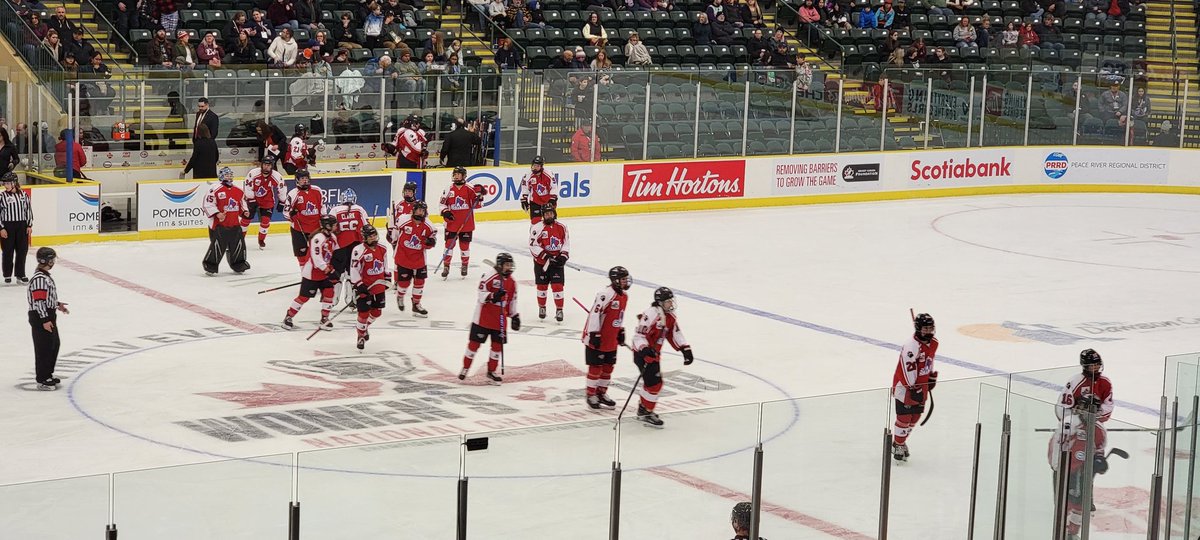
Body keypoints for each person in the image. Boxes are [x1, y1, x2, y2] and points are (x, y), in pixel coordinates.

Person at [630, 286, 693, 427]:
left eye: (671, 301)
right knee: (655, 384)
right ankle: (647, 411)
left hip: (654, 355)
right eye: (668, 302)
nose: (671, 304)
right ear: (660, 302)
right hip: (643, 355)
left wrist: (685, 349)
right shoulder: (651, 314)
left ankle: (643, 408)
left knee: (651, 383)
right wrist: (645, 349)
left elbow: (674, 333)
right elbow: (638, 336)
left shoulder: (669, 317)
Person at [458, 252, 519, 385]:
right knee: (473, 345)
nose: (509, 267)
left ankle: (491, 371)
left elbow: (512, 300)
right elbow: (481, 294)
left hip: (500, 320)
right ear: (500, 265)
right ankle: (465, 368)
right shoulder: (489, 276)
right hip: (483, 318)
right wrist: (493, 296)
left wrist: (514, 316)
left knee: (497, 347)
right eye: (507, 265)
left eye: (510, 265)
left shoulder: (512, 282)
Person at [1048, 412, 1107, 540]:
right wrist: (1058, 467)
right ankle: (1064, 533)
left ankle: (1072, 534)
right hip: (1066, 472)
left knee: (1079, 506)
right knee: (1065, 506)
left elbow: (1099, 450)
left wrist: (1099, 460)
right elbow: (1055, 445)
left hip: (1082, 473)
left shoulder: (1098, 429)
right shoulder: (1070, 423)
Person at [891, 312, 938, 462]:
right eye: (925, 329)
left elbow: (928, 361)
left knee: (915, 417)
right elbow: (907, 368)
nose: (928, 332)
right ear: (918, 329)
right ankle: (897, 444)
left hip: (921, 385)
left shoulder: (934, 343)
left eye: (930, 328)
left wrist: (930, 376)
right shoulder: (911, 346)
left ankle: (901, 440)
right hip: (905, 387)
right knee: (904, 417)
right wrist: (913, 387)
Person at [583, 265, 631, 409]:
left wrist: (620, 330)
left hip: (611, 338)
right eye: (623, 279)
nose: (625, 282)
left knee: (608, 367)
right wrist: (594, 333)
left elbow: (618, 315)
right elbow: (595, 314)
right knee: (596, 367)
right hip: (597, 337)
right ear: (615, 280)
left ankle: (601, 393)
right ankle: (591, 395)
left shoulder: (624, 296)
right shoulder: (606, 294)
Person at [283, 214, 339, 329]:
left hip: (324, 273)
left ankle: (324, 318)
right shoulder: (318, 238)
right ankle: (288, 317)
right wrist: (328, 270)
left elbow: (334, 254)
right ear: (327, 225)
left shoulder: (333, 237)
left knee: (329, 293)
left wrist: (334, 267)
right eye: (334, 224)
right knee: (304, 297)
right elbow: (316, 258)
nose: (336, 226)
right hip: (312, 273)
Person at [27, 247, 68, 390]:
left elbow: (45, 299)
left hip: (47, 314)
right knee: (44, 347)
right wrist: (45, 320)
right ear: (47, 260)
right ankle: (42, 379)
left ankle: (47, 374)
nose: (53, 262)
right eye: (52, 259)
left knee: (53, 344)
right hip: (41, 317)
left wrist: (57, 305)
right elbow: (38, 301)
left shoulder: (44, 276)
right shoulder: (39, 279)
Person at [201, 167, 251, 275]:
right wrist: (217, 213)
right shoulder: (214, 188)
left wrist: (244, 212)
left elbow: (242, 204)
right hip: (219, 224)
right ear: (221, 176)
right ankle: (210, 266)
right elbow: (207, 204)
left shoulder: (238, 190)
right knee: (217, 246)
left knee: (238, 245)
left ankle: (239, 264)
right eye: (226, 175)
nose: (229, 177)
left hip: (234, 223)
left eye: (230, 175)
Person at [391, 200, 436, 316]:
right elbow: (394, 235)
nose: (421, 212)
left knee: (420, 281)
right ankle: (400, 296)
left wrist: (430, 242)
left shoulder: (430, 226)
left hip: (419, 259)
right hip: (403, 257)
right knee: (404, 284)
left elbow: (432, 242)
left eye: (423, 210)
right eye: (419, 210)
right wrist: (392, 238)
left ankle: (416, 304)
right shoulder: (402, 220)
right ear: (413, 210)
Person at [438, 165, 484, 278]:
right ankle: (446, 266)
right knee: (449, 245)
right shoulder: (449, 188)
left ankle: (464, 265)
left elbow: (478, 205)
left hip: (466, 223)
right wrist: (445, 212)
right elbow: (442, 203)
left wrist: (480, 196)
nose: (456, 176)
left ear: (464, 176)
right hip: (452, 223)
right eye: (455, 174)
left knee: (464, 246)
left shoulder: (470, 188)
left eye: (458, 174)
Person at [350, 224, 390, 349]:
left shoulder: (382, 248)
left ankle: (364, 327)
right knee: (363, 313)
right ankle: (360, 336)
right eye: (370, 236)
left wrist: (387, 276)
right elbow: (354, 269)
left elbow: (385, 264)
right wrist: (359, 285)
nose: (373, 238)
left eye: (374, 235)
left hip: (378, 285)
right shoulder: (358, 250)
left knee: (377, 312)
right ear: (364, 238)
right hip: (364, 287)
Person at [528, 202, 569, 322]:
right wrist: (545, 256)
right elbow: (532, 245)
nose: (549, 216)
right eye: (546, 214)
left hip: (556, 262)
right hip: (542, 263)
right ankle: (542, 307)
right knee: (542, 286)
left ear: (554, 214)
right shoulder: (537, 228)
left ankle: (559, 309)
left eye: (551, 213)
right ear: (543, 215)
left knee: (558, 286)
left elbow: (566, 243)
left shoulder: (562, 227)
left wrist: (563, 257)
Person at [329, 188, 370, 300]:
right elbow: (366, 228)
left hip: (338, 247)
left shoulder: (335, 210)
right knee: (353, 273)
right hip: (355, 247)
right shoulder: (359, 209)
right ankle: (352, 299)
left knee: (336, 273)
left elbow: (329, 228)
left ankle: (331, 298)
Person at [282, 169, 327, 266]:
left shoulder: (317, 190)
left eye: (306, 178)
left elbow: (322, 206)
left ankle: (316, 274)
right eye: (302, 178)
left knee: (317, 252)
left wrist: (323, 219)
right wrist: (292, 215)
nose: (305, 180)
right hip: (299, 229)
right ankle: (305, 275)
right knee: (301, 255)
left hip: (316, 229)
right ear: (297, 180)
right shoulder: (293, 194)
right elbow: (286, 212)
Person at [242, 155, 286, 249]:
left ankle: (261, 240)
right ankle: (240, 239)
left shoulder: (277, 176)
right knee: (246, 220)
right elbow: (247, 185)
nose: (266, 166)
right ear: (262, 164)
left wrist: (282, 201)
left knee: (265, 221)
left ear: (272, 166)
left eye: (268, 165)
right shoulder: (253, 173)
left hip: (267, 201)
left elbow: (282, 189)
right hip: (252, 199)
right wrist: (251, 199)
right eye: (265, 164)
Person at [1, 173, 33, 284]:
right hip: (8, 226)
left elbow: (28, 210)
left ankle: (20, 274)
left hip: (22, 226)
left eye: (8, 183)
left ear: (14, 183)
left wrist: (29, 225)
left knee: (22, 250)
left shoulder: (24, 195)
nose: (6, 185)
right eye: (5, 183)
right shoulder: (2, 196)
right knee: (7, 251)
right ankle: (7, 275)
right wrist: (1, 228)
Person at [519, 155, 558, 224]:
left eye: (537, 166)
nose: (535, 168)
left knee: (550, 221)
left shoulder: (549, 174)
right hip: (535, 202)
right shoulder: (528, 176)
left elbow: (554, 187)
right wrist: (524, 199)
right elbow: (525, 188)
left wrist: (552, 199)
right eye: (534, 165)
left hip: (548, 201)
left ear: (541, 166)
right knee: (535, 222)